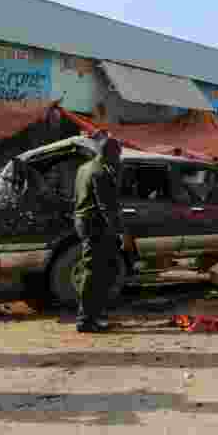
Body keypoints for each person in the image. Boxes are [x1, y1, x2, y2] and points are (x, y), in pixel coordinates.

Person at [73, 132, 133, 333]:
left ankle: (93, 315)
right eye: (118, 154)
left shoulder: (84, 168)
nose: (119, 158)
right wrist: (122, 233)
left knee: (97, 271)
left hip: (84, 222)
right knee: (95, 273)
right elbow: (108, 207)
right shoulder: (101, 173)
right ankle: (86, 320)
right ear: (110, 153)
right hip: (96, 226)